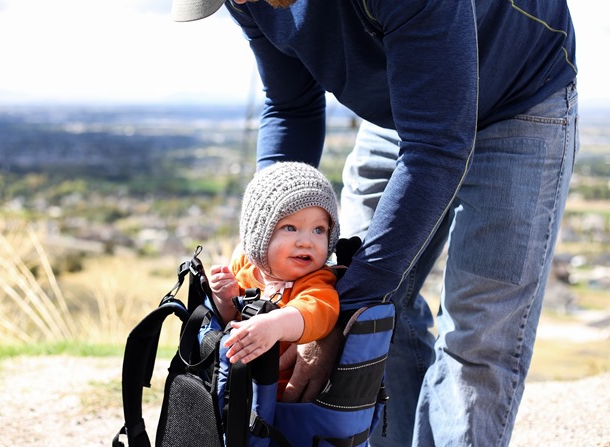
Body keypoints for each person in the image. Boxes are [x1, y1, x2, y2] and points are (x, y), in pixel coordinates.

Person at [171, 0, 579, 445]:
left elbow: (437, 147)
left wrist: (336, 316)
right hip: (405, 107)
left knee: (479, 335)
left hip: (518, 98)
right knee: (375, 320)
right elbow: (291, 106)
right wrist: (265, 234)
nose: (240, 2)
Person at [208, 161, 341, 400]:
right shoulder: (244, 266)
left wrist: (276, 325)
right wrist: (224, 298)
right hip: (233, 387)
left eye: (319, 230)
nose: (306, 242)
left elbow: (317, 313)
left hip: (278, 398)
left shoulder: (315, 281)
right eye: (290, 228)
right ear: (260, 233)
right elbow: (228, 323)